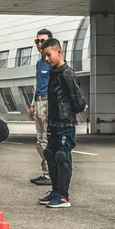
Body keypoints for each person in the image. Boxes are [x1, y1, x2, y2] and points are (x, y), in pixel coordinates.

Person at [37, 38, 87, 209]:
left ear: (59, 52)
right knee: (50, 154)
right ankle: (56, 191)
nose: (46, 59)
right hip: (53, 123)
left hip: (65, 124)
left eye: (48, 55)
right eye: (44, 56)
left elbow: (78, 101)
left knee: (62, 157)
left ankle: (64, 196)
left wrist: (75, 109)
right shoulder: (54, 73)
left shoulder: (67, 73)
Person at [27, 28, 53, 186]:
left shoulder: (52, 63)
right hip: (38, 101)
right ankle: (45, 172)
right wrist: (32, 104)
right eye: (37, 41)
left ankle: (50, 174)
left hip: (48, 102)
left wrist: (52, 107)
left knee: (45, 141)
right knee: (39, 142)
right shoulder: (39, 63)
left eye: (43, 40)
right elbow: (39, 85)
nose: (39, 44)